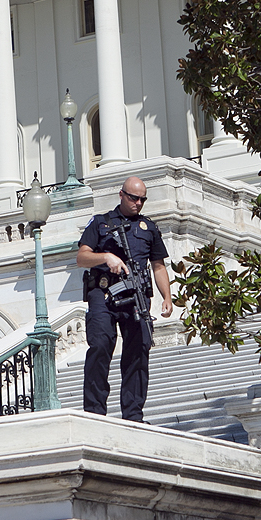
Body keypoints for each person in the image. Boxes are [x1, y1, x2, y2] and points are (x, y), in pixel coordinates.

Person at [77, 176, 173, 422]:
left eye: (142, 199)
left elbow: (158, 266)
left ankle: (133, 416)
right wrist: (106, 257)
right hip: (104, 293)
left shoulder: (148, 228)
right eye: (133, 198)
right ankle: (95, 412)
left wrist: (167, 297)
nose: (138, 203)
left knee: (139, 351)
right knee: (100, 345)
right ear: (121, 195)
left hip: (136, 296)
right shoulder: (100, 223)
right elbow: (82, 258)